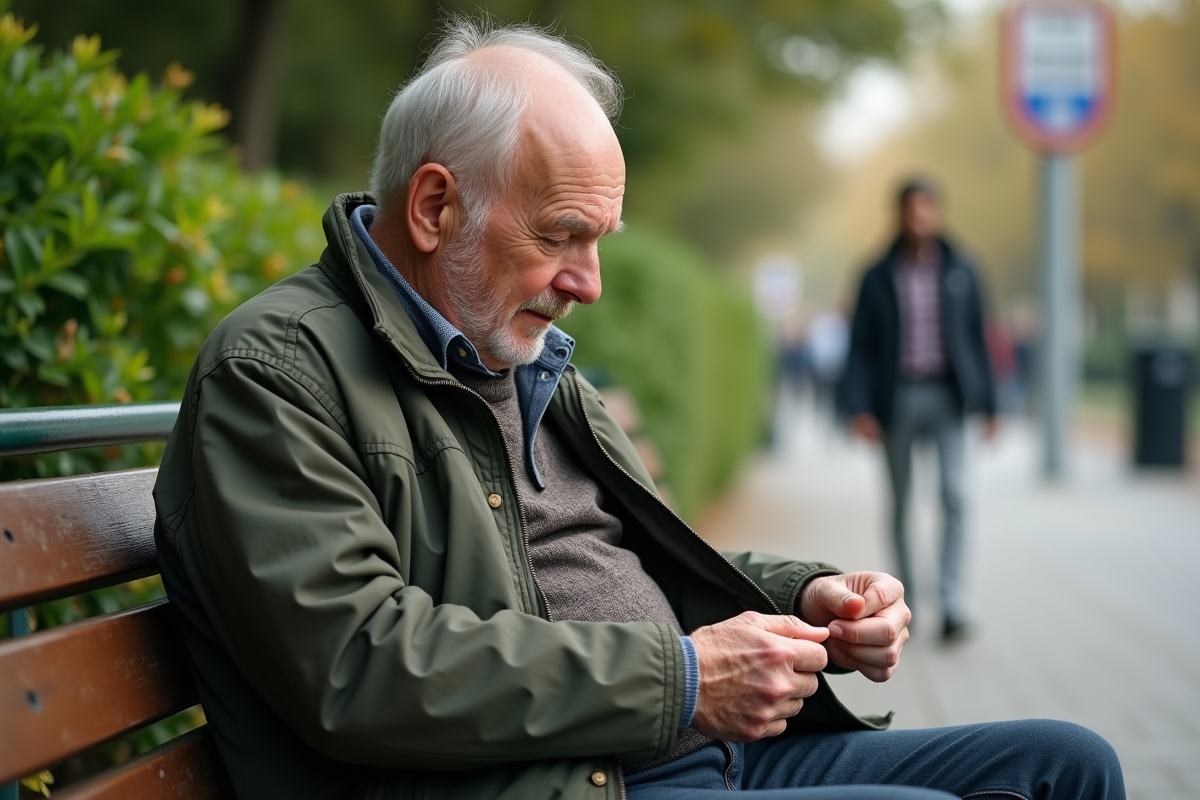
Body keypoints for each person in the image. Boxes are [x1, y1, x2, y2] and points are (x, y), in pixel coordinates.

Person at [152, 20, 1123, 800]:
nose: (591, 282)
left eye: (602, 239)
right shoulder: (278, 369)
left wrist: (803, 597)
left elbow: (651, 574)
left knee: (1064, 760)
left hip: (684, 749)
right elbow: (358, 664)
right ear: (435, 207)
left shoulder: (524, 356)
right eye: (564, 235)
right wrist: (689, 679)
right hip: (562, 777)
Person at [842, 180, 997, 643]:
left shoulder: (962, 269)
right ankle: (904, 602)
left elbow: (978, 337)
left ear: (938, 213)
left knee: (954, 494)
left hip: (949, 397)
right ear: (900, 214)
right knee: (902, 500)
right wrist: (859, 407)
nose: (920, 218)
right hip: (898, 399)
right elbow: (860, 348)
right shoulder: (876, 274)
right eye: (912, 209)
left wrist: (990, 403)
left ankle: (952, 601)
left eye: (928, 209)